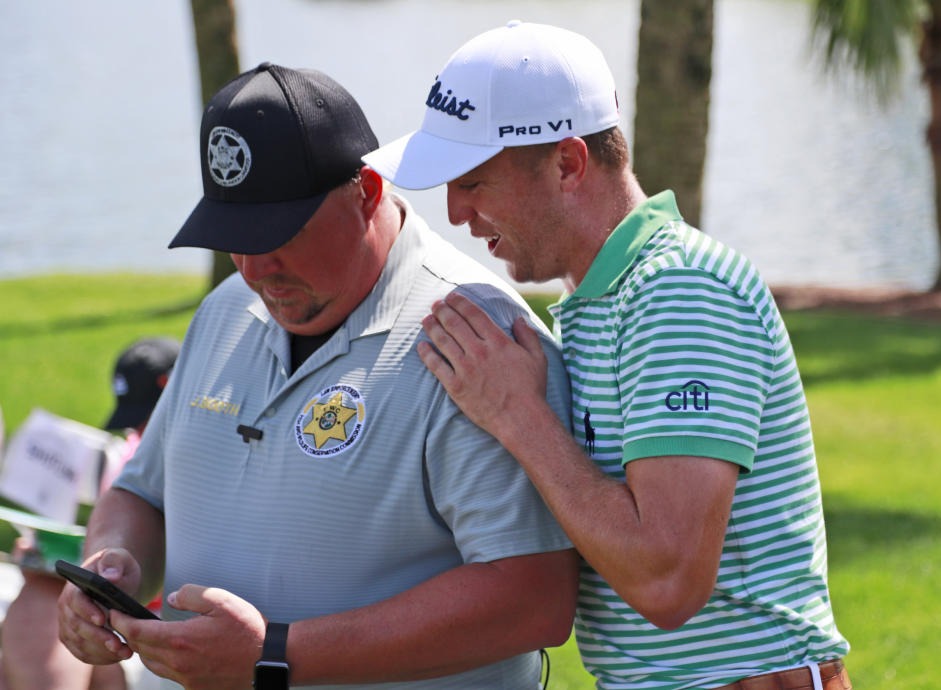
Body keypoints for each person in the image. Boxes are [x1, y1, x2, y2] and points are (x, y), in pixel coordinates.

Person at [363, 20, 853, 690]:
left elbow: (666, 580)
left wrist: (517, 414)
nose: (454, 213)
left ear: (567, 163)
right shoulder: (606, 302)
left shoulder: (679, 290)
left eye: (472, 181)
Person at [57, 62, 578, 690]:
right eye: (233, 237)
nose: (255, 268)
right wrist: (112, 567)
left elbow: (532, 600)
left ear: (368, 192)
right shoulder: (225, 310)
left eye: (282, 234)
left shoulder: (479, 335)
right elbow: (142, 494)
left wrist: (274, 655)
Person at [1, 337, 179, 690]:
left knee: (42, 602)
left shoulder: (189, 457)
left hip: (158, 609)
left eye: (148, 419)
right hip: (120, 606)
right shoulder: (133, 449)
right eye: (134, 422)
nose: (139, 432)